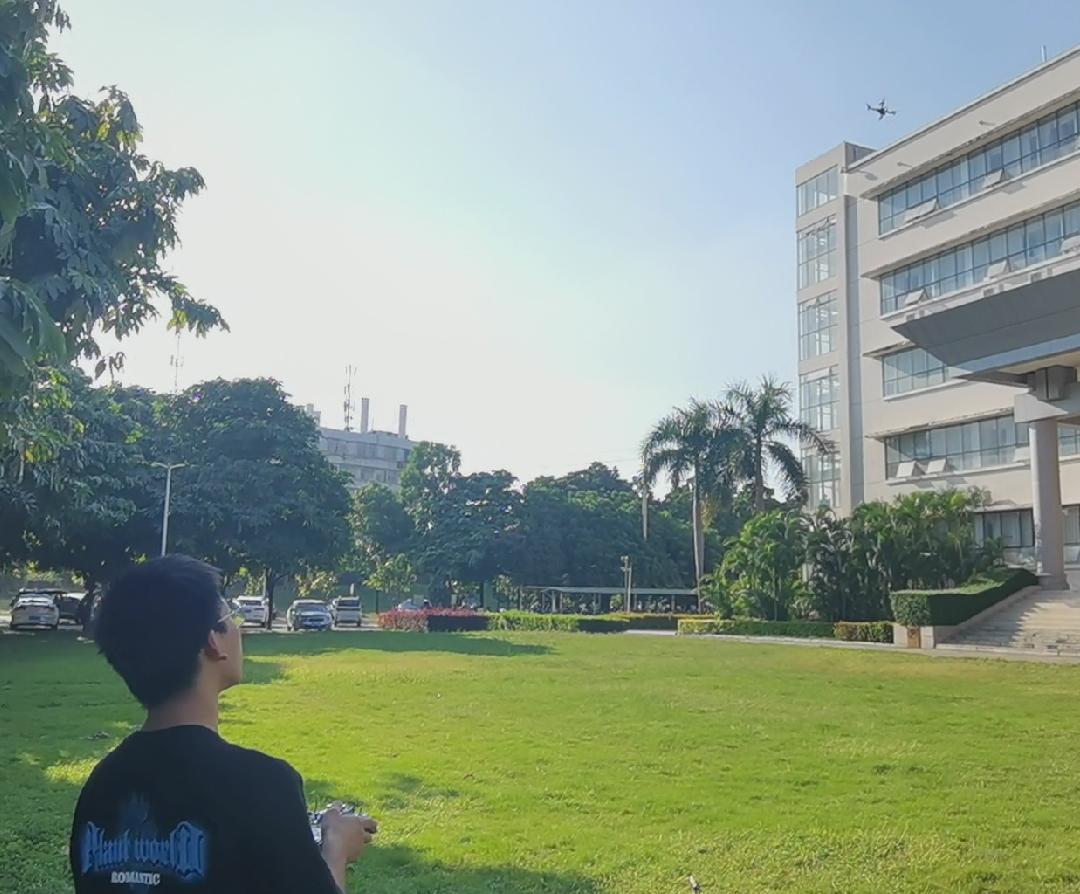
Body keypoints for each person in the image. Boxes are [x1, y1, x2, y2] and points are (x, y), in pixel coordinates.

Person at [69, 554, 376, 893]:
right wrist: (336, 848)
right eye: (231, 617)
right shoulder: (264, 784)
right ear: (212, 641)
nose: (240, 630)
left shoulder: (100, 787)